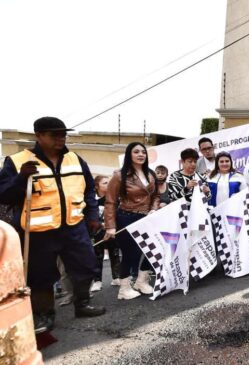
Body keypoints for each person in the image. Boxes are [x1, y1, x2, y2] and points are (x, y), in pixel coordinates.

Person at [0, 117, 106, 332]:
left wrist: (93, 215)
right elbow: (4, 195)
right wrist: (21, 179)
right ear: (38, 136)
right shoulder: (17, 161)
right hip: (39, 232)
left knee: (86, 266)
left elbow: (88, 191)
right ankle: (44, 315)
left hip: (74, 226)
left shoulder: (75, 159)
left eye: (63, 134)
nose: (61, 138)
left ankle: (82, 304)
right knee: (41, 276)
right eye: (54, 134)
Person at [103, 142, 160, 300]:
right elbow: (110, 202)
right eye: (136, 152)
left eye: (143, 152)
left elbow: (155, 195)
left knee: (153, 249)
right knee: (130, 254)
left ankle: (141, 281)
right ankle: (124, 288)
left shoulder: (150, 173)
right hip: (127, 217)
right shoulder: (119, 175)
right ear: (129, 154)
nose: (141, 154)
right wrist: (110, 226)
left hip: (147, 217)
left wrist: (154, 209)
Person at [91, 175, 121, 292]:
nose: (108, 184)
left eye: (109, 182)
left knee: (114, 254)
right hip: (97, 233)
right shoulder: (91, 200)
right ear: (97, 186)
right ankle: (97, 281)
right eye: (104, 183)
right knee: (97, 257)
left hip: (112, 231)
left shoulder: (114, 199)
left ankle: (116, 277)